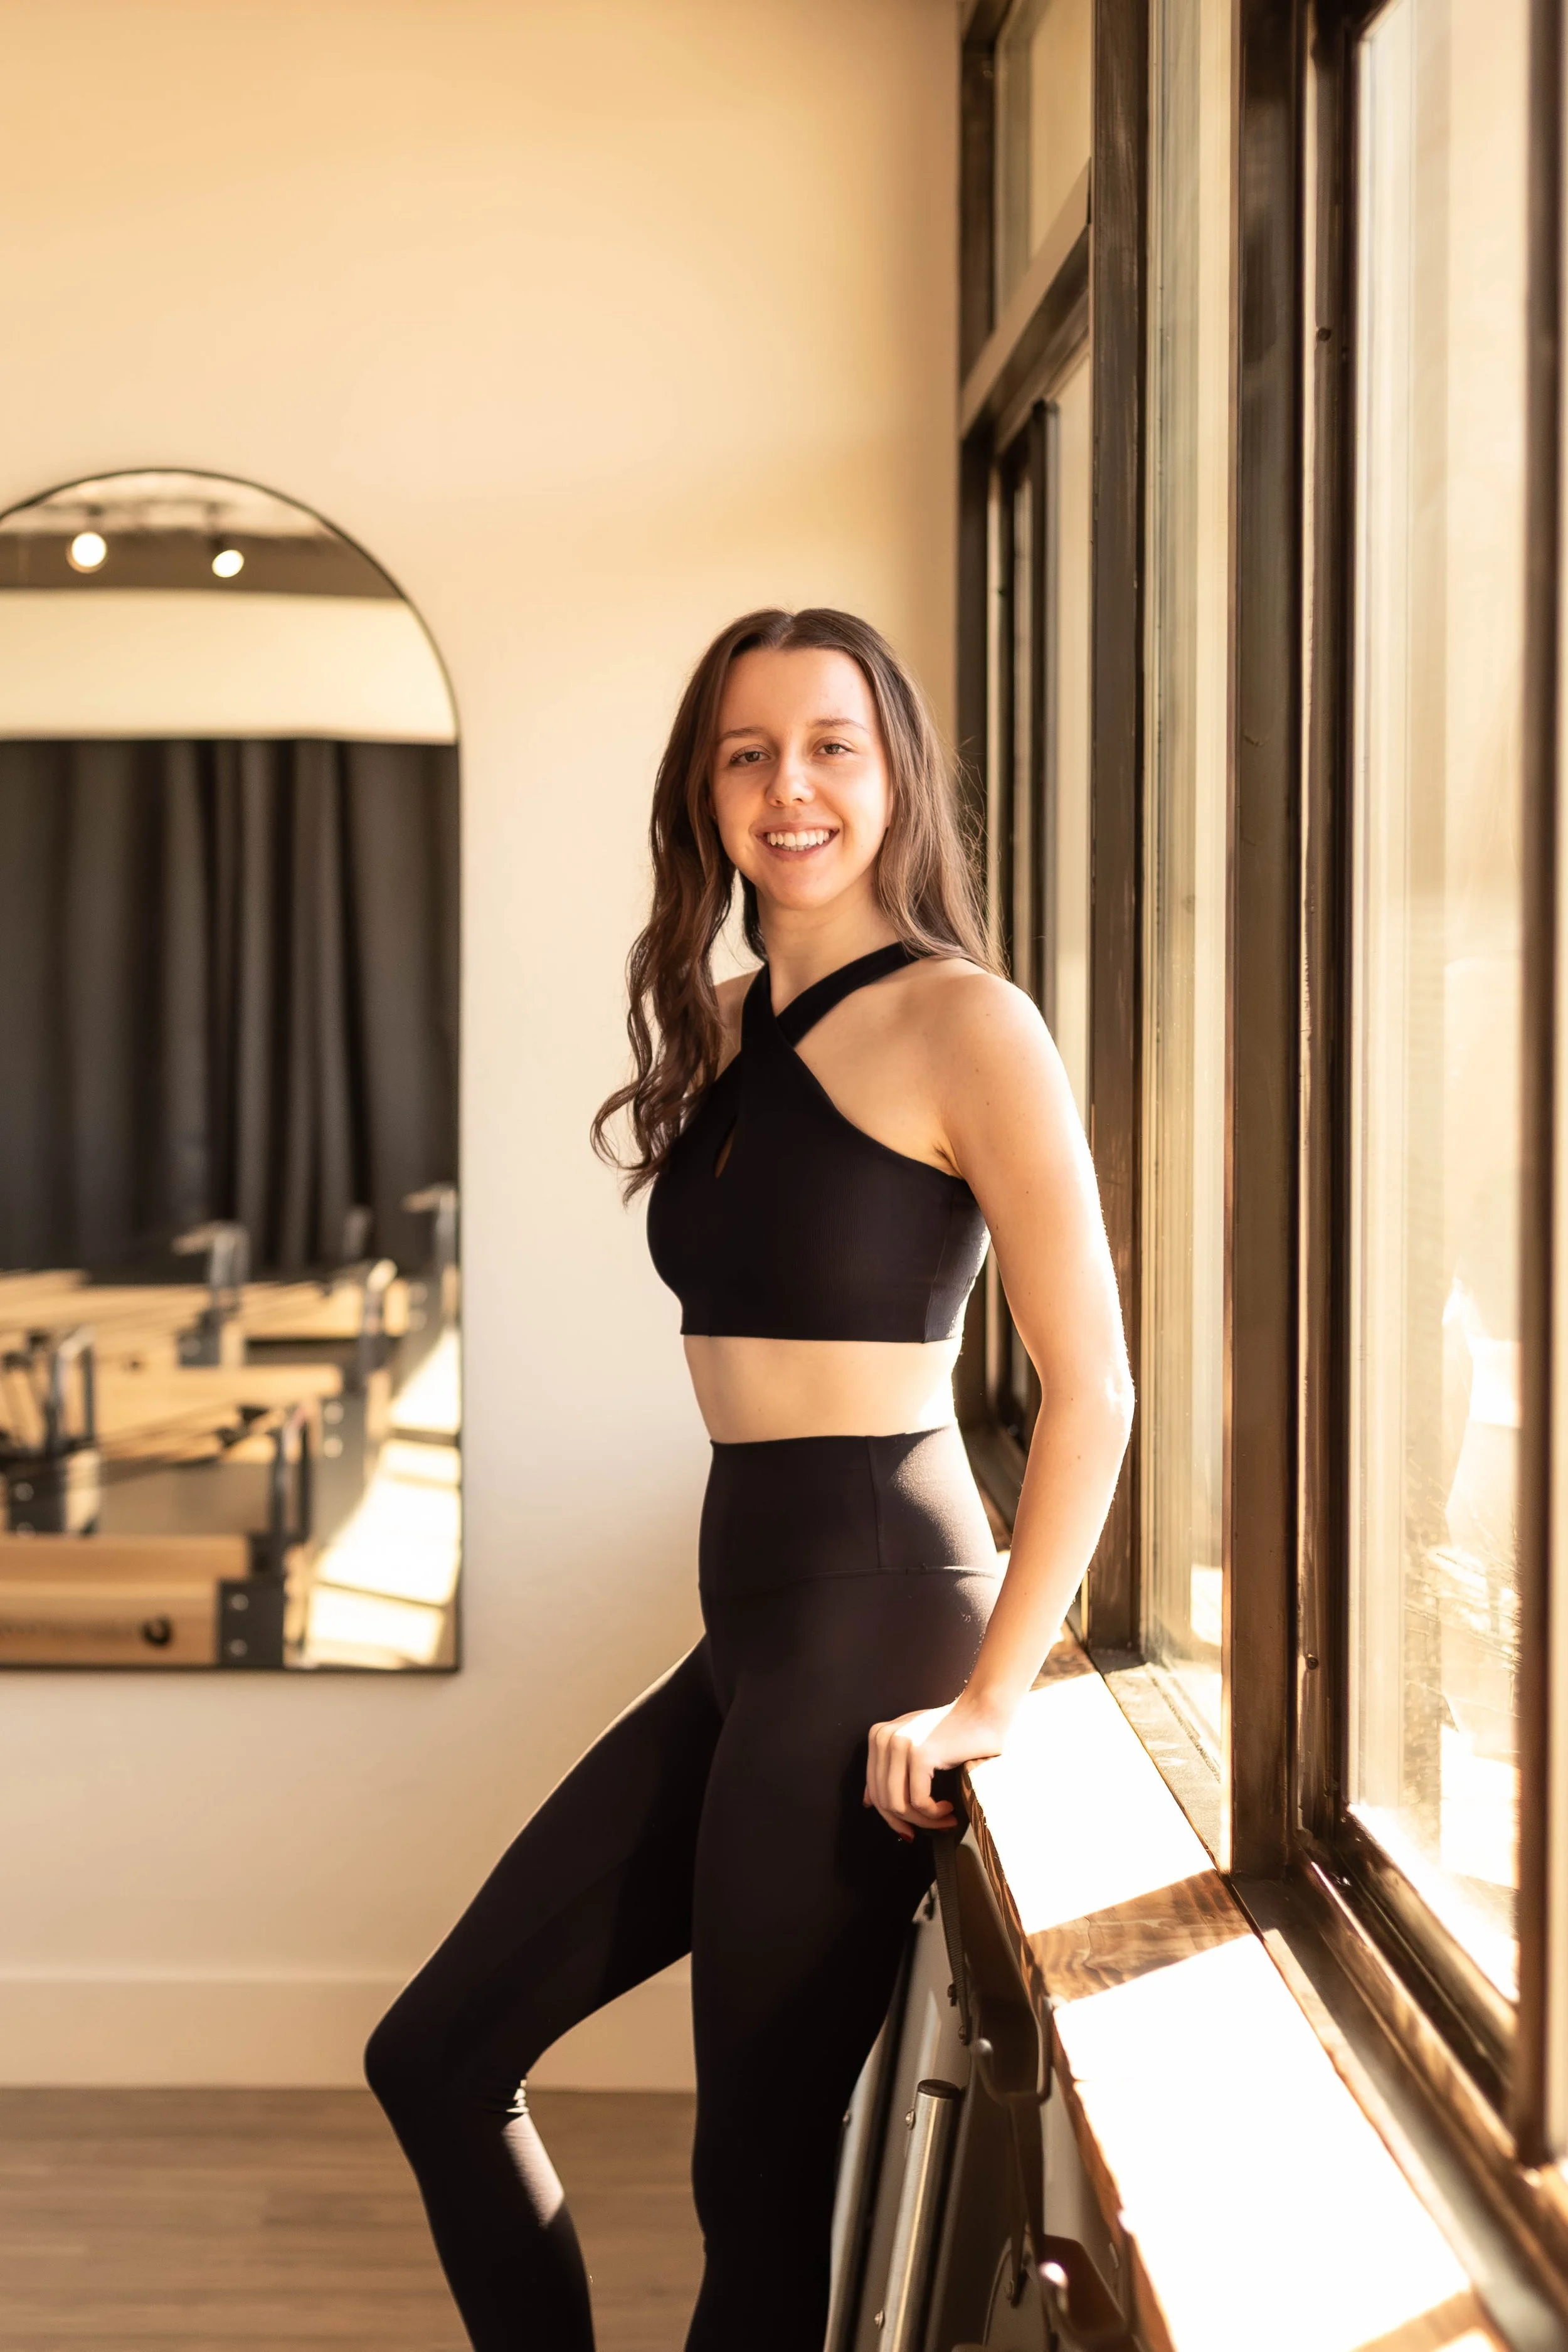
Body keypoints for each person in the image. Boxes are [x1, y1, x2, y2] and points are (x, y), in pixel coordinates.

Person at [365, 607, 1133, 2349]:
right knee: (436, 2052)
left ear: (894, 774)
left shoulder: (967, 1023)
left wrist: (990, 1703)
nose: (791, 786)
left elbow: (1092, 1387)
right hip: (751, 1626)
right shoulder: (717, 1022)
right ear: (704, 790)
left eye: (830, 746)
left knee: (755, 2190)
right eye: (747, 751)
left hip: (878, 1619)